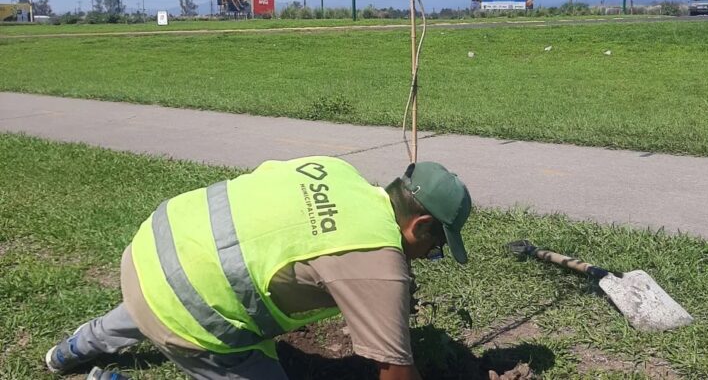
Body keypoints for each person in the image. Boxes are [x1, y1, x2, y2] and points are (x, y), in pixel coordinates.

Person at [45, 156, 472, 380]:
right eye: (436, 248)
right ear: (422, 226)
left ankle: (71, 350)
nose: (429, 257)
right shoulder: (380, 264)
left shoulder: (335, 170)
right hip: (188, 308)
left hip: (150, 249)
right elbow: (395, 372)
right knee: (188, 304)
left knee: (178, 285)